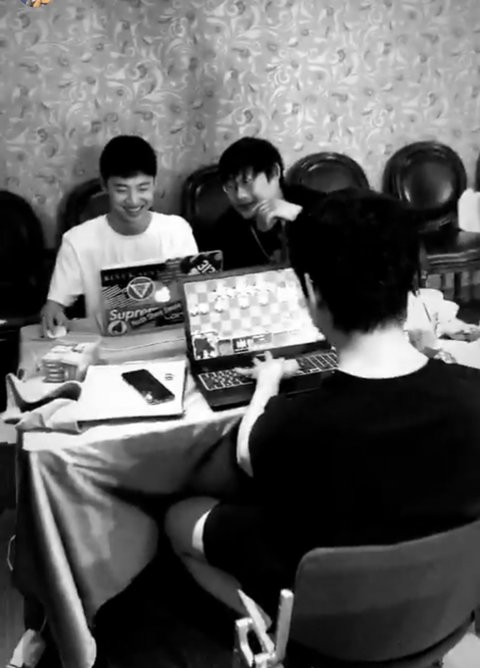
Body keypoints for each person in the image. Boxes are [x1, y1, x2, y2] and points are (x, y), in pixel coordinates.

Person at [165, 190, 480, 619]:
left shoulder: (295, 424)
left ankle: (268, 631)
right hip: (438, 614)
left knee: (180, 517)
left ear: (311, 289)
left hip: (322, 623)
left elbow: (246, 454)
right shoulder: (471, 392)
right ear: (412, 281)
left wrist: (267, 382)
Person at [41, 135, 197, 334]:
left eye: (143, 188)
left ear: (155, 183)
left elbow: (194, 293)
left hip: (169, 340)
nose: (133, 200)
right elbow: (55, 305)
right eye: (122, 190)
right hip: (108, 344)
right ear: (104, 186)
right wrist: (52, 312)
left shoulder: (177, 230)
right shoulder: (77, 240)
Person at [210, 136, 324, 269]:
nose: (240, 195)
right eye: (230, 186)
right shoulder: (225, 229)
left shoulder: (315, 204)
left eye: (246, 182)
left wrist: (299, 216)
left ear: (274, 172)